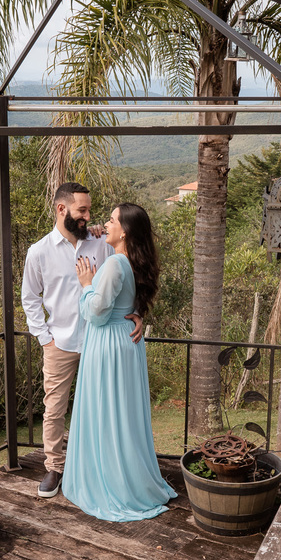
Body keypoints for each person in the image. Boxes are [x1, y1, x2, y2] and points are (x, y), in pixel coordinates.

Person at [21, 183, 142, 499]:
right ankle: (55, 467)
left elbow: (126, 277)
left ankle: (100, 466)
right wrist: (44, 338)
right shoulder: (39, 252)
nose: (89, 217)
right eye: (83, 211)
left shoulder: (101, 243)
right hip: (59, 343)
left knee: (101, 407)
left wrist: (137, 311)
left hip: (99, 342)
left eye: (90, 210)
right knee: (54, 408)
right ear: (62, 210)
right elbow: (30, 298)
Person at [62, 203, 177, 521]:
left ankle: (112, 482)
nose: (105, 223)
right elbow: (131, 296)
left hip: (108, 343)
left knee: (107, 412)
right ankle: (129, 476)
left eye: (111, 220)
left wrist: (86, 283)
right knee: (122, 414)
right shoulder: (132, 261)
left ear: (124, 231)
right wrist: (138, 314)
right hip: (126, 341)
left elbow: (96, 313)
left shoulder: (114, 265)